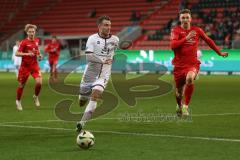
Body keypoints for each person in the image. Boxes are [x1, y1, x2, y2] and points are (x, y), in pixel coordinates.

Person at [170, 9, 228, 117]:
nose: (185, 20)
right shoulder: (176, 31)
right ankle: (178, 105)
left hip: (192, 64)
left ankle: (185, 106)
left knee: (190, 79)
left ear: (191, 19)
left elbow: (208, 40)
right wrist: (186, 38)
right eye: (183, 18)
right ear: (180, 19)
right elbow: (173, 46)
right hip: (179, 66)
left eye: (187, 17)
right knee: (178, 93)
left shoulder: (197, 30)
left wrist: (219, 52)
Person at [76, 15, 119, 132]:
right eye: (106, 25)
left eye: (110, 25)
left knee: (95, 95)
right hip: (89, 76)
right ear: (99, 26)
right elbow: (89, 57)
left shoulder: (115, 40)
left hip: (103, 76)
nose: (109, 27)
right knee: (81, 101)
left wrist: (111, 60)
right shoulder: (92, 39)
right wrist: (102, 60)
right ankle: (82, 97)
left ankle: (81, 123)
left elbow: (113, 54)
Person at [15, 24, 43, 111]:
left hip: (34, 65)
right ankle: (18, 101)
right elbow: (17, 53)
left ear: (35, 32)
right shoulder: (24, 42)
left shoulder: (37, 41)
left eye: (33, 32)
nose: (31, 33)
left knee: (39, 83)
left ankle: (35, 96)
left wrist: (39, 55)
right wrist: (27, 54)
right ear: (27, 33)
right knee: (21, 85)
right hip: (25, 67)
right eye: (30, 32)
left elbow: (37, 51)